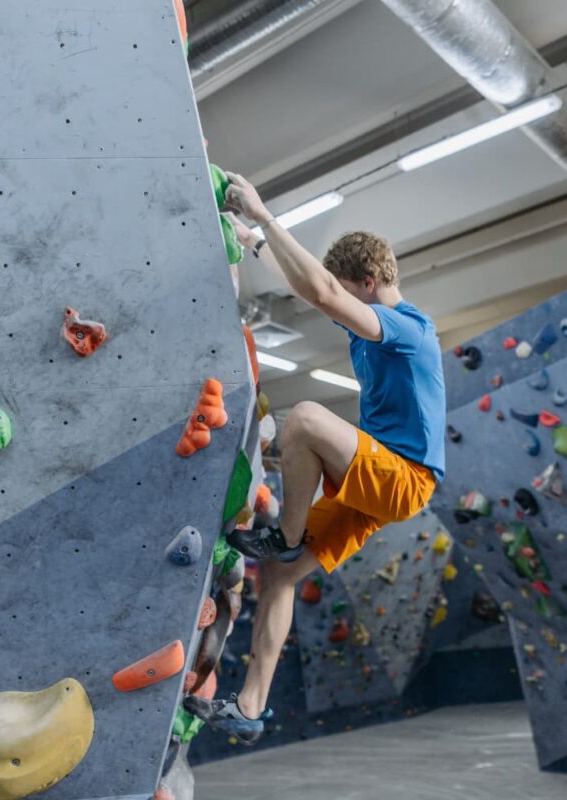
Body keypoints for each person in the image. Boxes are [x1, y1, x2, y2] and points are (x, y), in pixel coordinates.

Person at [184, 172, 446, 744]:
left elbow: (321, 290)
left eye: (348, 290)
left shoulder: (407, 330)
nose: (338, 304)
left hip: (404, 478)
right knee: (277, 578)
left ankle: (289, 534)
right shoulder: (372, 323)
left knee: (303, 419)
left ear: (370, 283)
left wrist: (263, 215)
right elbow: (314, 284)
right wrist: (251, 242)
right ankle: (250, 708)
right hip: (373, 481)